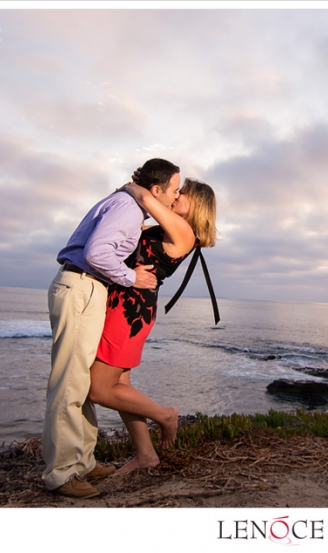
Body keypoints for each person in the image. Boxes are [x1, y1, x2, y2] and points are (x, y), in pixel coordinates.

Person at [42, 158, 181, 499]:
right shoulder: (129, 209)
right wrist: (131, 277)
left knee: (80, 380)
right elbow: (97, 254)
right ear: (157, 189)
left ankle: (82, 462)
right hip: (83, 286)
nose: (176, 197)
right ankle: (62, 474)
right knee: (69, 384)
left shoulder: (128, 204)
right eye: (174, 190)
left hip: (86, 287)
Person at [88, 177, 217, 474]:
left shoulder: (184, 231)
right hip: (125, 303)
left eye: (183, 193)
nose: (177, 195)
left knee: (98, 389)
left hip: (130, 311)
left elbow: (146, 200)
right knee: (120, 385)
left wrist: (130, 186)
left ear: (197, 204)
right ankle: (146, 455)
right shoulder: (168, 227)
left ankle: (165, 416)